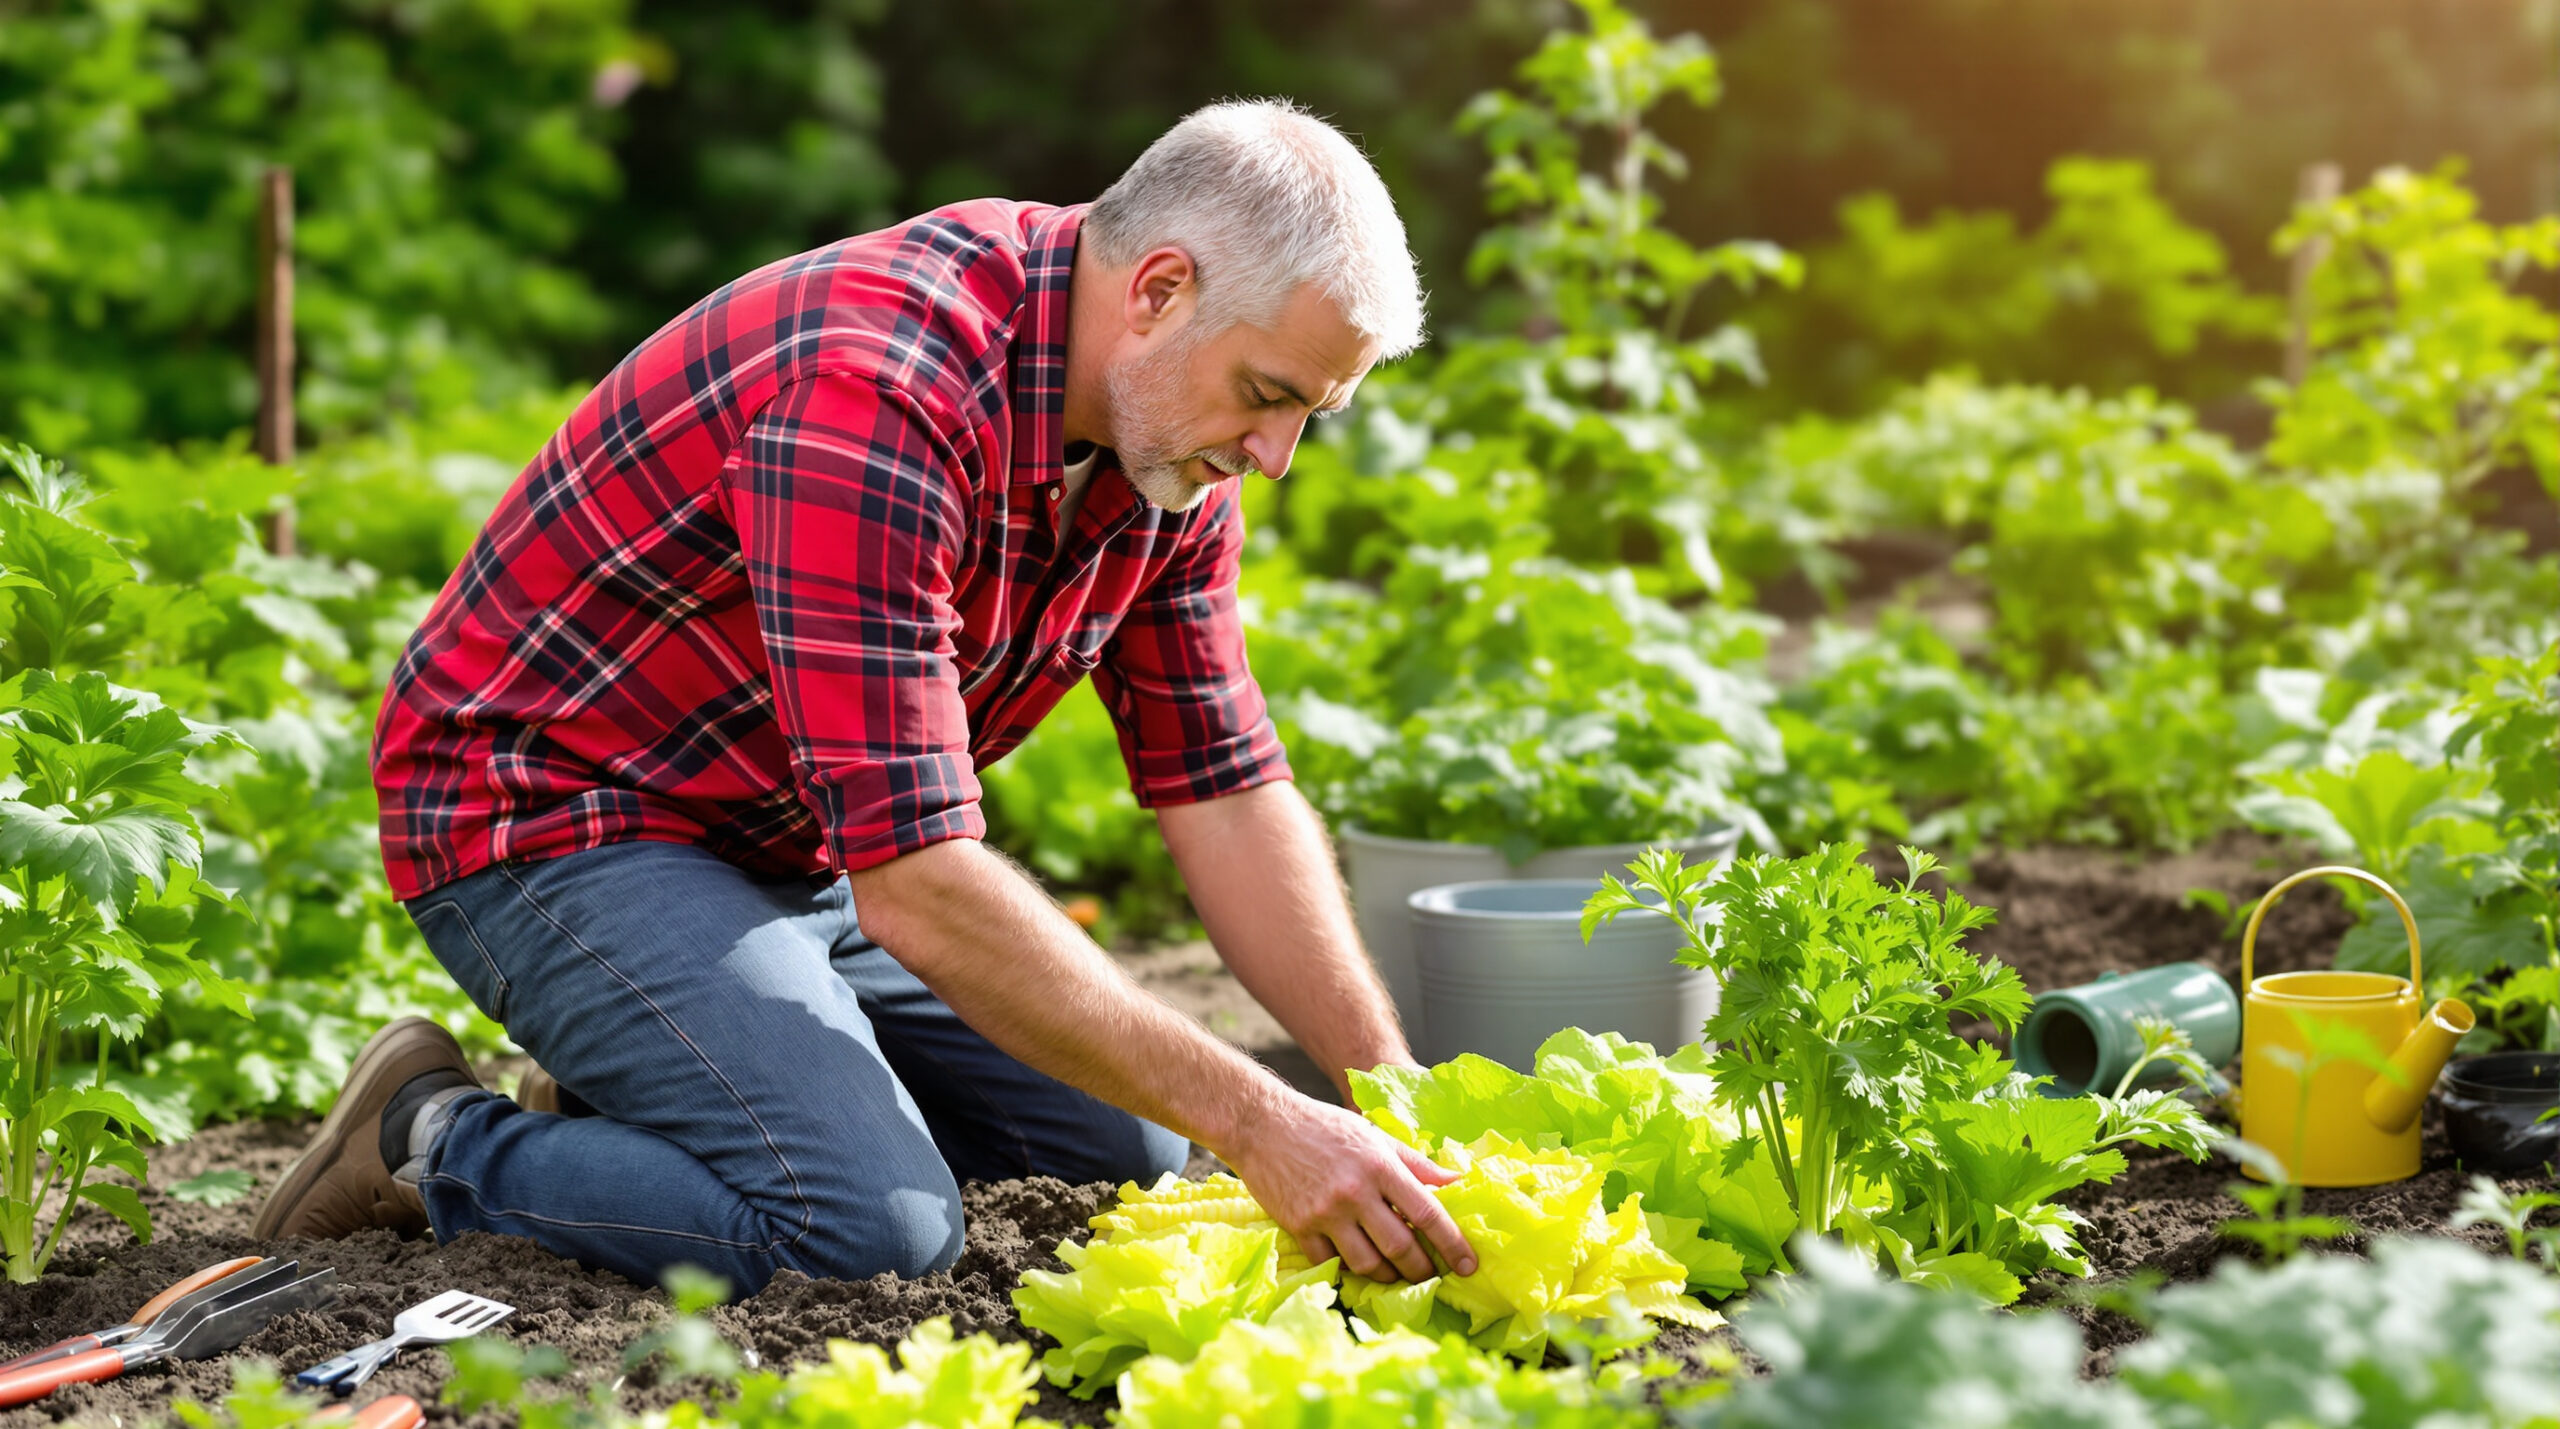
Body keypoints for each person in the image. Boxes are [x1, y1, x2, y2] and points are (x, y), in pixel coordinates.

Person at [252, 99, 1479, 1296]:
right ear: (1157, 291)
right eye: (1269, 395)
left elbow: (1224, 783)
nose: (1274, 456)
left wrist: (1388, 1091)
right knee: (862, 1228)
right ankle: (428, 1142)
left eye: (1310, 414)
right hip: (555, 814)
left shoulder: (1168, 446)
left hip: (784, 838)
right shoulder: (877, 390)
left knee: (1130, 1160)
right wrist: (1267, 1124)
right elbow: (921, 887)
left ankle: (640, 1095)